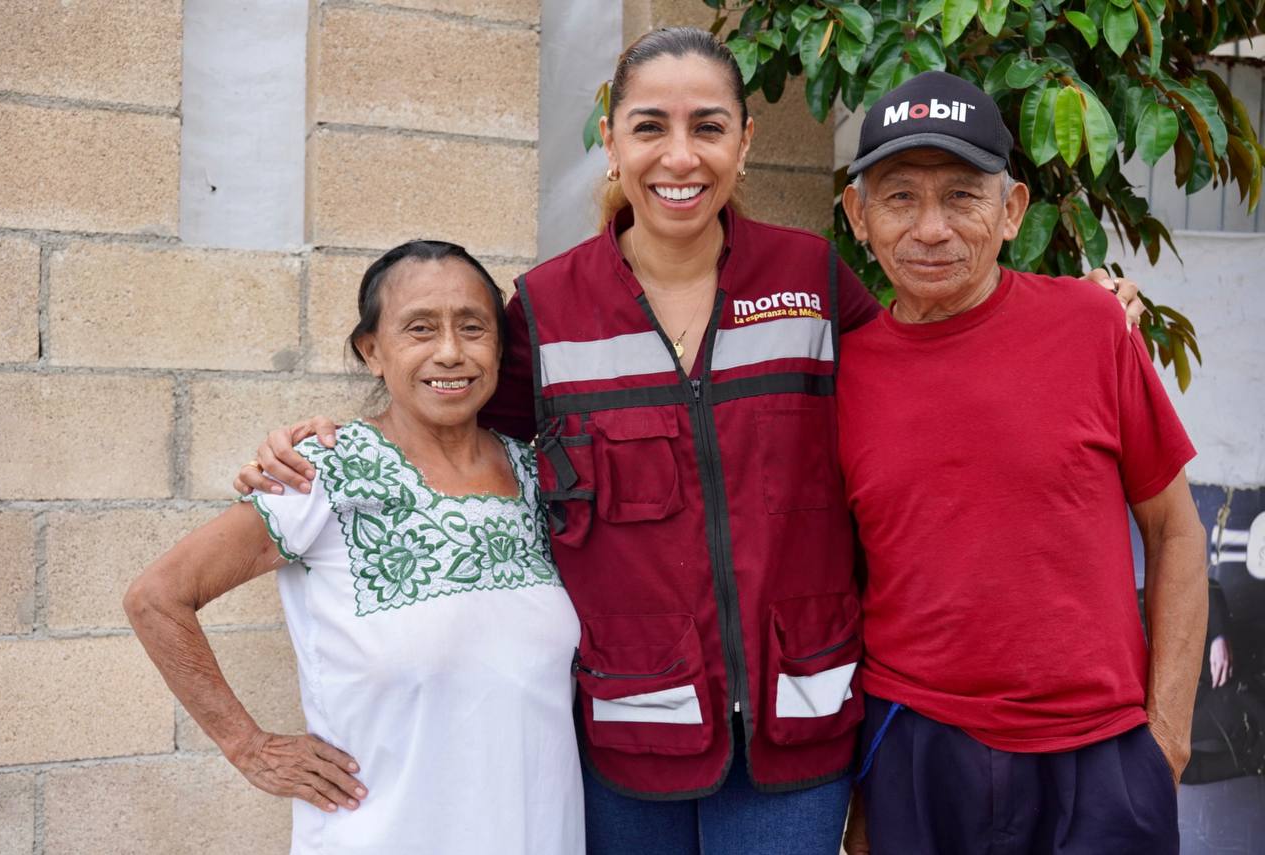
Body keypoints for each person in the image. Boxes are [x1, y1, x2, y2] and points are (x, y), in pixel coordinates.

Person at [236, 31, 1143, 855]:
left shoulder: (811, 281)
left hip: (800, 738)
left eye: (708, 126)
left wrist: (1075, 318)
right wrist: (339, 433)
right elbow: (453, 408)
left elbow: (925, 355)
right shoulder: (550, 309)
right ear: (611, 137)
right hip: (627, 744)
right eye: (650, 126)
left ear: (744, 141)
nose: (680, 156)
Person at [835, 72, 1208, 854]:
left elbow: (1176, 529)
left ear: (1010, 212)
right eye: (900, 197)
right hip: (916, 748)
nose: (930, 228)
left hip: (1100, 755)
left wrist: (1166, 739)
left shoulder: (1091, 325)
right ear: (858, 218)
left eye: (963, 196)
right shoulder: (841, 372)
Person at [124, 241, 584, 855]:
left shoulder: (539, 477)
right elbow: (157, 598)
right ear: (373, 351)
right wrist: (249, 747)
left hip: (537, 832)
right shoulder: (323, 470)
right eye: (419, 329)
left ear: (499, 346)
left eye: (473, 328)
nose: (450, 351)